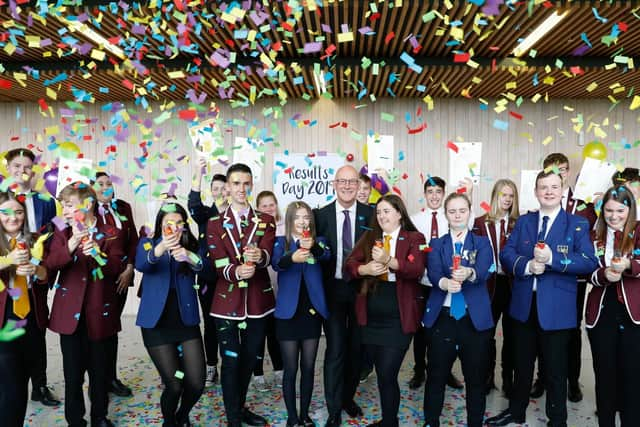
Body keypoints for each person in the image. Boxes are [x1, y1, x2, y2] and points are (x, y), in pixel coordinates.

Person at [486, 170, 598, 427]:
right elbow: (506, 253)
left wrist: (553, 260)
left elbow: (589, 262)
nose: (548, 191)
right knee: (521, 366)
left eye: (554, 187)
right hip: (524, 307)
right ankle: (516, 411)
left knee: (556, 370)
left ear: (562, 190)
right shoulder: (524, 221)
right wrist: (525, 266)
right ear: (536, 192)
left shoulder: (577, 223)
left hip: (558, 310)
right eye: (543, 187)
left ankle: (557, 419)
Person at [43, 182, 129, 427]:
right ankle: (75, 420)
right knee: (72, 375)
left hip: (100, 314)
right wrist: (71, 244)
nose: (65, 211)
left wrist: (98, 256)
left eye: (69, 205)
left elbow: (116, 268)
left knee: (99, 373)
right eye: (63, 206)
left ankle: (99, 417)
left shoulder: (113, 231)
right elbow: (50, 264)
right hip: (69, 315)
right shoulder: (60, 230)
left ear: (88, 204)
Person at [345, 194, 426, 427]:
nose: (381, 216)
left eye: (386, 211)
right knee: (381, 374)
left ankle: (390, 423)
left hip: (399, 317)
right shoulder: (370, 236)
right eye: (378, 212)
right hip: (370, 317)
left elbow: (416, 269)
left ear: (399, 213)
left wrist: (389, 260)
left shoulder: (414, 237)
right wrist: (365, 269)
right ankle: (389, 421)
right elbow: (350, 265)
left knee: (388, 372)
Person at [206, 163, 276, 427]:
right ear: (228, 187)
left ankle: (239, 406)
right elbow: (217, 262)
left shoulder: (265, 220)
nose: (241, 189)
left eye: (246, 183)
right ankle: (234, 418)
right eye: (236, 183)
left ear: (251, 185)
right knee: (231, 361)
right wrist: (236, 272)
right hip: (225, 304)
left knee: (249, 361)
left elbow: (268, 252)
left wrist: (260, 257)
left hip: (258, 303)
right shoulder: (214, 223)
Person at [529, 153, 597, 402]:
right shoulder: (537, 200)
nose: (559, 173)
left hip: (573, 280)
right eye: (551, 169)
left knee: (570, 332)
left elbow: (590, 245)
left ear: (568, 172)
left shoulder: (585, 204)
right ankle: (543, 377)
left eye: (563, 169)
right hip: (542, 279)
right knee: (541, 327)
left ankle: (572, 380)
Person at [422, 192, 493, 427]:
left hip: (474, 320)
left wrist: (469, 273)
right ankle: (431, 421)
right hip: (443, 317)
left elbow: (484, 270)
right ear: (446, 215)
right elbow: (433, 274)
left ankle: (475, 422)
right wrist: (444, 283)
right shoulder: (437, 244)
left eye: (462, 210)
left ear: (470, 213)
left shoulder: (482, 243)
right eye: (452, 211)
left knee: (475, 378)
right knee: (436, 375)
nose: (457, 215)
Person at [135, 202, 205, 427]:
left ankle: (182, 416)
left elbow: (203, 265)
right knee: (174, 384)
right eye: (168, 224)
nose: (173, 228)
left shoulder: (191, 244)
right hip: (156, 323)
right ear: (160, 225)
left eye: (178, 224)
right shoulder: (148, 243)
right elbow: (141, 264)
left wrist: (188, 256)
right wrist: (161, 248)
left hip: (185, 321)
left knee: (196, 383)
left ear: (184, 226)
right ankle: (169, 422)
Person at [314, 165, 374, 427]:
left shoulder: (371, 214)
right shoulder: (321, 215)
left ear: (358, 185)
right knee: (336, 349)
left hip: (362, 291)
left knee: (356, 350)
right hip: (333, 291)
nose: (348, 186)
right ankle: (334, 409)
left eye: (352, 182)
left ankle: (348, 398)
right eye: (343, 181)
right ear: (334, 184)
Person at [5, 148, 60, 407]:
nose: (21, 171)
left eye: (26, 167)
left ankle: (39, 385)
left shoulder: (46, 202)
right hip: (4, 283)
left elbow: (53, 238)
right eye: (16, 166)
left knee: (36, 335)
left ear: (33, 171)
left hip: (35, 279)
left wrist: (41, 270)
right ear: (7, 168)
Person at [408, 176, 471, 391]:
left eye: (438, 192)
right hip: (421, 282)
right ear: (425, 195)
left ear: (443, 194)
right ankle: (419, 369)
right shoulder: (415, 220)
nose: (434, 196)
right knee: (421, 329)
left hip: (448, 283)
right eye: (430, 192)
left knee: (446, 328)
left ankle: (446, 371)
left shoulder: (451, 217)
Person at [271, 201, 330, 427]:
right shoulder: (281, 242)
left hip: (311, 313)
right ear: (290, 221)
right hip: (287, 314)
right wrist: (293, 255)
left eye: (306, 217)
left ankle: (304, 414)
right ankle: (292, 418)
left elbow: (325, 256)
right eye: (298, 217)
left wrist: (312, 246)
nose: (303, 221)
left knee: (308, 367)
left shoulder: (320, 242)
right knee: (291, 369)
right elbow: (277, 264)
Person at [585, 186, 640, 427]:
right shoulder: (593, 235)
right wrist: (605, 274)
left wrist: (629, 266)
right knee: (604, 376)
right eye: (608, 210)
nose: (614, 216)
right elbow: (586, 270)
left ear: (630, 210)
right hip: (602, 312)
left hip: (633, 314)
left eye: (620, 210)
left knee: (633, 377)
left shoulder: (639, 231)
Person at [0, 192, 50, 426]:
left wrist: (36, 271)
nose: (13, 217)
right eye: (6, 212)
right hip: (4, 319)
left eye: (18, 212)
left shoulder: (36, 239)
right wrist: (9, 259)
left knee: (22, 383)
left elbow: (46, 273)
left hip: (30, 319)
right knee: (10, 385)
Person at [472, 179, 519, 396]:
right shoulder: (481, 222)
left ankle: (508, 379)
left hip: (512, 286)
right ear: (495, 196)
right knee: (486, 334)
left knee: (512, 336)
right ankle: (486, 377)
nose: (507, 199)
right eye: (504, 195)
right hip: (488, 286)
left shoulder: (520, 223)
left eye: (511, 196)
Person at [94, 171, 138, 397]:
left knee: (112, 329)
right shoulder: (86, 211)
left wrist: (130, 267)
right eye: (100, 184)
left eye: (109, 183)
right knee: (99, 331)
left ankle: (111, 378)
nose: (105, 187)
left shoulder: (123, 207)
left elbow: (133, 241)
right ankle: (98, 380)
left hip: (121, 279)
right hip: (97, 280)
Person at [188, 158, 222, 387]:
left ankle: (235, 366)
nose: (220, 191)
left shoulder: (240, 214)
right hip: (208, 279)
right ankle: (211, 366)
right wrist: (198, 174)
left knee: (232, 324)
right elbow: (192, 202)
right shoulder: (204, 214)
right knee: (210, 324)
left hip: (234, 278)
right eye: (216, 188)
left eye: (224, 188)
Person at [252, 190, 284, 391]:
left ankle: (280, 370)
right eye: (264, 205)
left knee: (275, 334)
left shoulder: (285, 226)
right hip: (260, 289)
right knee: (258, 334)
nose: (269, 208)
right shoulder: (255, 228)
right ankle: (258, 374)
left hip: (281, 290)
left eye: (271, 204)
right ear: (257, 208)